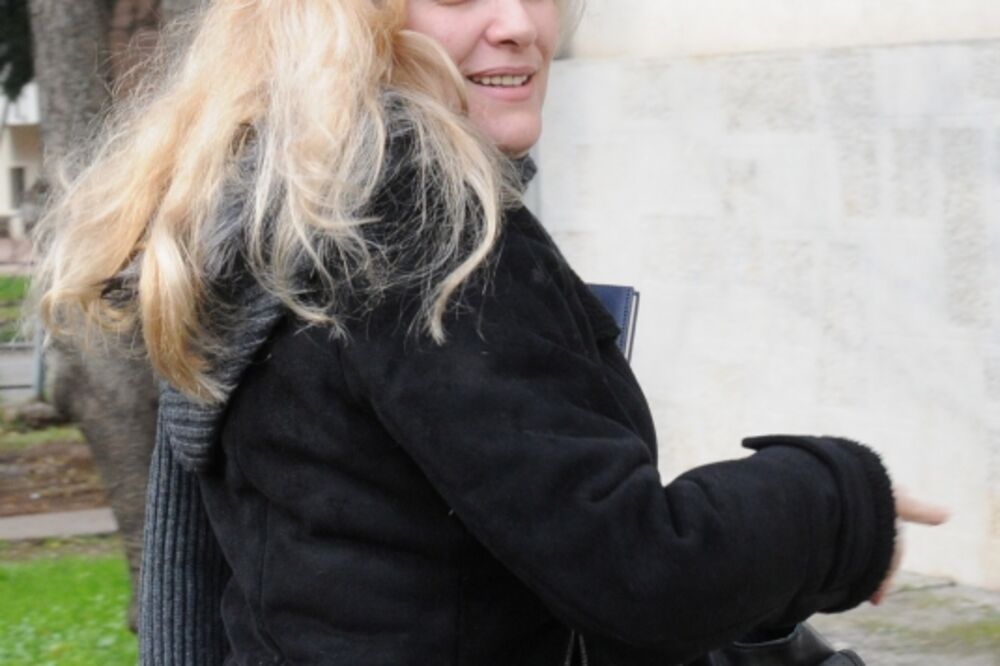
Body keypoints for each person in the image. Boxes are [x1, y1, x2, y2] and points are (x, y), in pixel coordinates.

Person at [34, 0, 948, 664]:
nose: (519, 24)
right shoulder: (418, 227)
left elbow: (475, 556)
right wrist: (835, 504)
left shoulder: (278, 219)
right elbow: (639, 574)